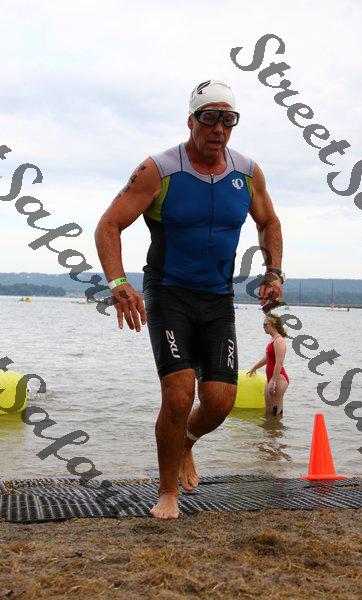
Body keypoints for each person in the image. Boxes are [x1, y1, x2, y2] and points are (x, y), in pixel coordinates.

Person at [94, 79, 285, 519]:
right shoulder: (158, 170)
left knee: (219, 401)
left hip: (217, 298)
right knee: (179, 396)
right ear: (191, 121)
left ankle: (186, 443)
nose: (219, 128)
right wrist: (118, 282)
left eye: (228, 119)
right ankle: (167, 492)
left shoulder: (247, 173)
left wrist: (273, 272)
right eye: (209, 117)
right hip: (169, 293)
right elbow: (109, 225)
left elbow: (269, 221)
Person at [247, 312, 289, 416]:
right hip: (271, 379)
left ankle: (277, 427)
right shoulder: (272, 339)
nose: (263, 327)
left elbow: (279, 363)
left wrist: (273, 381)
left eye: (265, 324)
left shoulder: (279, 341)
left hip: (278, 379)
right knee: (268, 411)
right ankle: (271, 427)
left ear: (273, 325)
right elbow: (268, 358)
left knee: (275, 413)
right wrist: (255, 367)